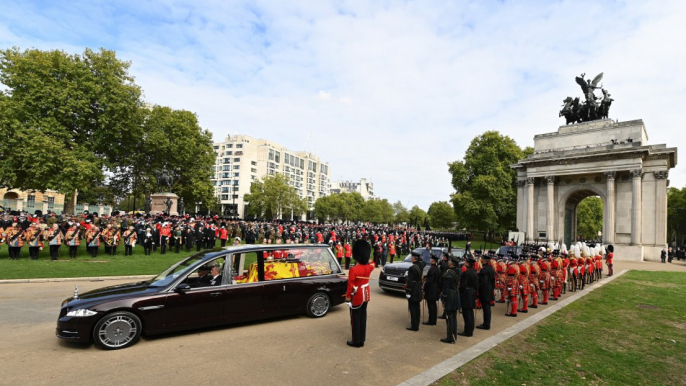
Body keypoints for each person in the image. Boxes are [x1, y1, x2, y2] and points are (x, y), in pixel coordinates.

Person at [345, 239, 373, 348]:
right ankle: (362, 339)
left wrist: (348, 298)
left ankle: (356, 341)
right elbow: (372, 262)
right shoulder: (369, 267)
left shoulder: (354, 270)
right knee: (363, 317)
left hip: (357, 296)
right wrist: (366, 257)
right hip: (366, 294)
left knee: (355, 318)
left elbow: (350, 286)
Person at [440, 254, 460, 343]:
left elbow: (445, 288)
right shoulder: (458, 271)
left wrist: (443, 298)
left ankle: (450, 337)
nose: (448, 261)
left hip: (450, 295)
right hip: (455, 293)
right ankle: (454, 335)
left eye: (449, 261)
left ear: (452, 263)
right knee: (454, 317)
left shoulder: (448, 274)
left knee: (450, 317)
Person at [459, 256, 478, 337]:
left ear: (468, 264)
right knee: (470, 312)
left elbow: (463, 286)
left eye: (466, 262)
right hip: (472, 292)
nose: (465, 263)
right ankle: (470, 330)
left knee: (466, 313)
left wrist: (460, 292)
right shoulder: (474, 272)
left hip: (467, 293)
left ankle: (467, 331)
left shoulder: (466, 273)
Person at [405, 251, 423, 331]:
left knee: (412, 307)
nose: (411, 258)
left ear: (414, 258)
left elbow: (409, 281)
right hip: (418, 287)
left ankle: (414, 325)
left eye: (412, 257)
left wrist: (408, 291)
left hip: (413, 288)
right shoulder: (421, 265)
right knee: (417, 307)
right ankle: (417, 323)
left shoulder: (412, 268)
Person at [477, 252, 495, 330]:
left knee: (486, 308)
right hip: (489, 289)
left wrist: (478, 289)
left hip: (485, 290)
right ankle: (486, 323)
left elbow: (483, 282)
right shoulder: (490, 268)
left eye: (482, 259)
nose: (481, 260)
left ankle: (486, 324)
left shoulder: (484, 270)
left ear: (484, 261)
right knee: (487, 308)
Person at [423, 254, 440, 325]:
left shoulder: (433, 269)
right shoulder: (436, 268)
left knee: (431, 305)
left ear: (433, 261)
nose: (430, 260)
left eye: (431, 259)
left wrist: (424, 286)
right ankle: (433, 320)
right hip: (434, 288)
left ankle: (431, 320)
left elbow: (429, 280)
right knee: (433, 305)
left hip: (431, 289)